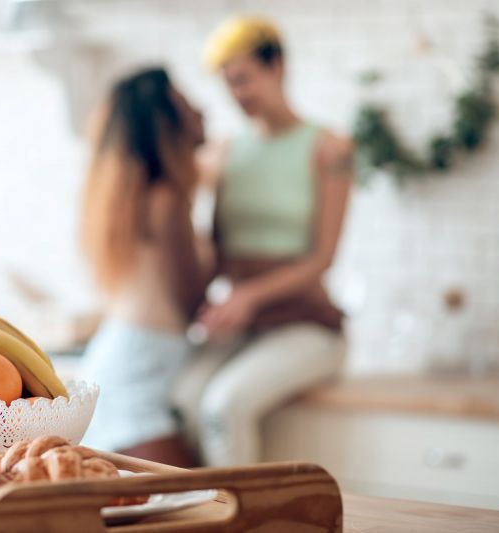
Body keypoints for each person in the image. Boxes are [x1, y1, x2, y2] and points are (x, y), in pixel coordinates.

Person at [174, 16, 354, 466]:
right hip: (242, 326)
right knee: (183, 397)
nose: (237, 95)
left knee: (223, 406)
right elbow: (215, 250)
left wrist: (249, 296)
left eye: (244, 79)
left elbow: (322, 258)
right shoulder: (223, 153)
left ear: (278, 67)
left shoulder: (330, 149)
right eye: (227, 84)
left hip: (307, 323)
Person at [79, 68, 209, 467]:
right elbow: (193, 300)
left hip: (127, 359)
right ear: (166, 123)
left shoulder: (133, 196)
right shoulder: (168, 200)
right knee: (195, 508)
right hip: (139, 373)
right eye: (186, 104)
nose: (200, 111)